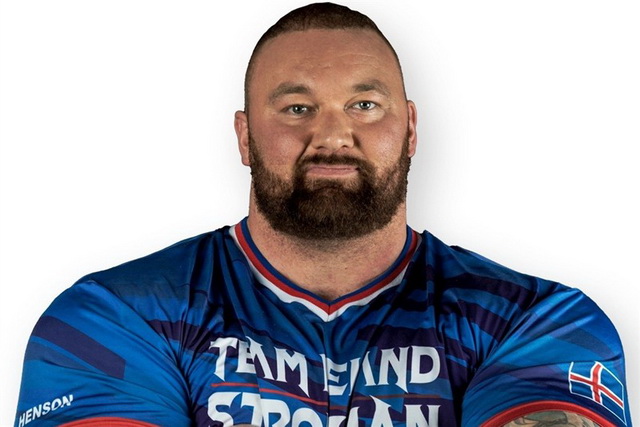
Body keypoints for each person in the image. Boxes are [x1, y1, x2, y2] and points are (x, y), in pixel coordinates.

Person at [14, 3, 630, 427]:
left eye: (364, 105)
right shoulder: (113, 318)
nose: (333, 136)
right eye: (296, 108)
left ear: (411, 128)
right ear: (245, 137)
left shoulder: (536, 320)